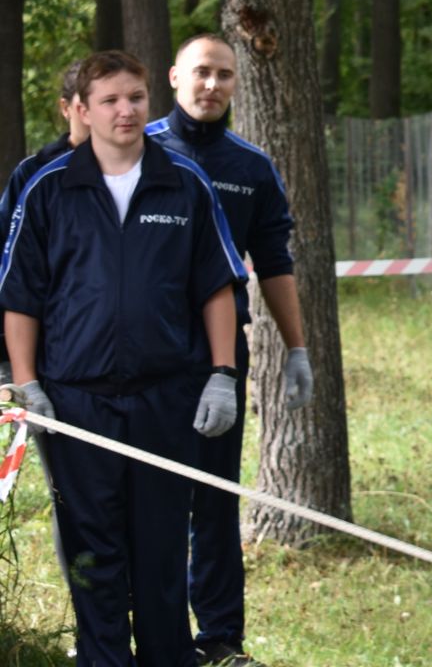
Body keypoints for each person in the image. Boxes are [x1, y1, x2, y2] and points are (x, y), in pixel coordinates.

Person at [0, 50, 248, 667]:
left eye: (135, 97)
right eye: (109, 100)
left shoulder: (185, 183)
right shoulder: (48, 187)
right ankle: (103, 657)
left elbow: (217, 286)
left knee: (161, 546)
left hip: (168, 398)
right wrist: (27, 385)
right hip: (75, 400)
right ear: (81, 111)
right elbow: (20, 298)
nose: (126, 110)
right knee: (93, 550)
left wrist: (221, 376)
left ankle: (168, 658)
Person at [147, 33, 311, 667]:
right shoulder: (137, 149)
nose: (211, 85)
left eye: (223, 75)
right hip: (140, 357)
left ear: (237, 83)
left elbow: (274, 261)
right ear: (174, 77)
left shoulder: (252, 167)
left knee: (213, 499)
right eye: (200, 73)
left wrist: (296, 349)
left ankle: (220, 641)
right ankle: (149, 639)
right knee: (147, 497)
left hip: (219, 360)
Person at [2, 59, 89, 383]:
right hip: (50, 351)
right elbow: (11, 269)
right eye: (87, 103)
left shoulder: (150, 170)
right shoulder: (33, 174)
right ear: (67, 108)